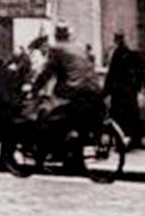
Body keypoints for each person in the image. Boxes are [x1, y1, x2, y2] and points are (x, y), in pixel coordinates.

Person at [31, 21, 104, 160]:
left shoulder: (57, 49)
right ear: (69, 34)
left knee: (48, 113)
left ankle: (50, 149)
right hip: (93, 88)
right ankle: (71, 154)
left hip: (73, 90)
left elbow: (47, 73)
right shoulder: (80, 46)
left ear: (57, 34)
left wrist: (35, 89)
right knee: (72, 119)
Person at [103, 31, 143, 150]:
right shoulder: (133, 54)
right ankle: (135, 139)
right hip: (130, 89)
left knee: (119, 117)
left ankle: (122, 141)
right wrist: (138, 87)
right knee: (132, 116)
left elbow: (111, 74)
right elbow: (140, 72)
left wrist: (105, 91)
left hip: (119, 90)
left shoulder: (117, 53)